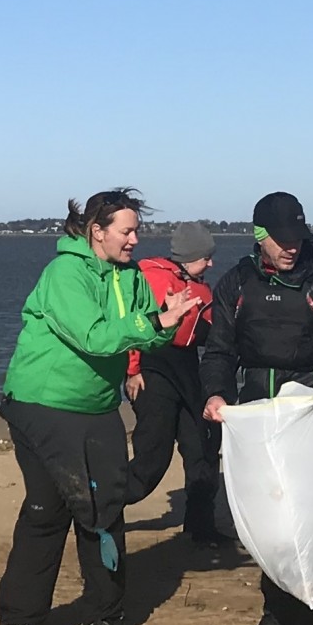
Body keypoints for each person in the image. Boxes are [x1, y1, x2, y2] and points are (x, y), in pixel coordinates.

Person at [0, 189, 203, 625]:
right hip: (42, 403)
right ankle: (20, 617)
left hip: (97, 406)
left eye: (136, 231)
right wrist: (153, 325)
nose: (134, 240)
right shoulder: (64, 273)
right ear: (97, 231)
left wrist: (165, 321)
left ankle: (104, 615)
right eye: (126, 231)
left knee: (103, 508)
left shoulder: (129, 276)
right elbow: (93, 337)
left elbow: (140, 337)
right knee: (48, 508)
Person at [201, 192, 313, 625]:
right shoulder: (236, 283)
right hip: (256, 408)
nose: (290, 248)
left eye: (296, 238)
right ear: (259, 237)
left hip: (307, 411)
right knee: (269, 514)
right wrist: (213, 394)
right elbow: (218, 350)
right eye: (280, 240)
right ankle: (276, 616)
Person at [122, 222, 224, 545]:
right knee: (153, 456)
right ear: (188, 256)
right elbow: (135, 327)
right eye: (205, 258)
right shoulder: (153, 277)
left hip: (187, 369)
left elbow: (211, 333)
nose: (210, 264)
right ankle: (99, 506)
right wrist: (133, 370)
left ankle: (201, 529)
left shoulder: (201, 287)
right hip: (154, 369)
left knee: (202, 447)